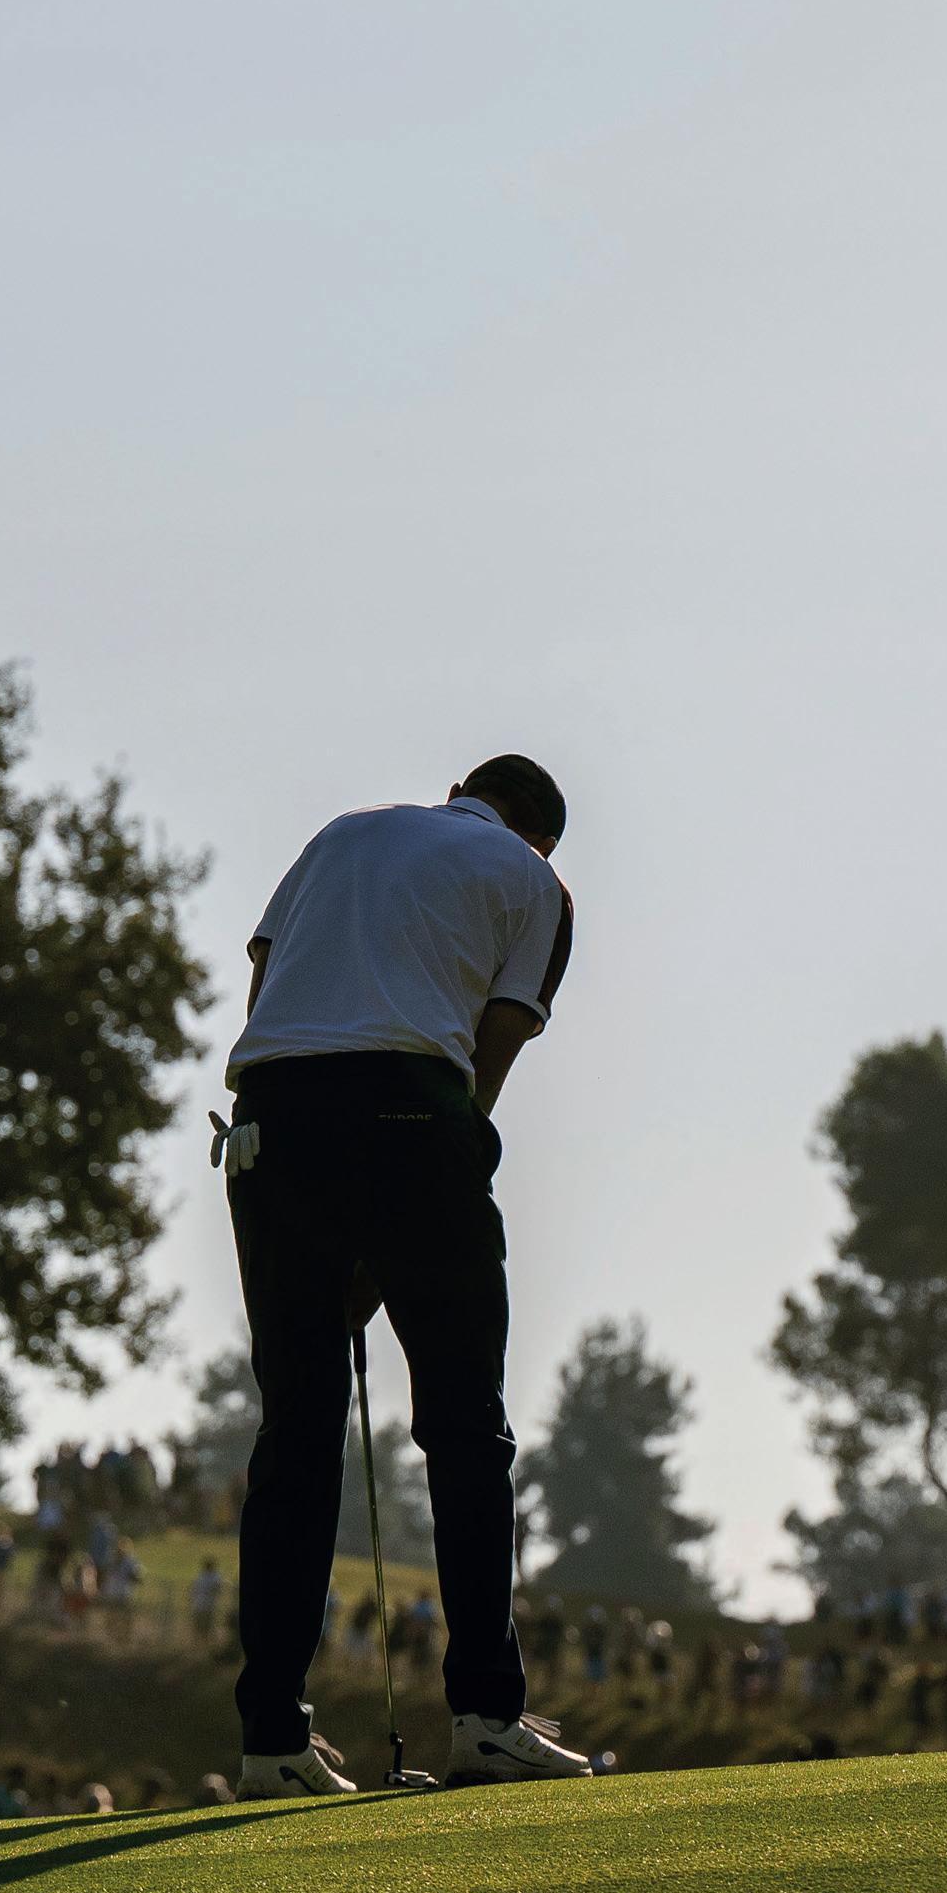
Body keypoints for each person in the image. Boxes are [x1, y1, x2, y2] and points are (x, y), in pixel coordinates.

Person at [221, 756, 592, 1797]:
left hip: (268, 1120)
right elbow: (490, 1051)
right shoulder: (537, 883)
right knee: (465, 1427)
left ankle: (271, 1744)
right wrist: (422, 1180)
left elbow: (267, 982)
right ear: (538, 836)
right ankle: (484, 1718)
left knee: (295, 1433)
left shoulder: (341, 832)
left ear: (460, 790)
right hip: (409, 1110)